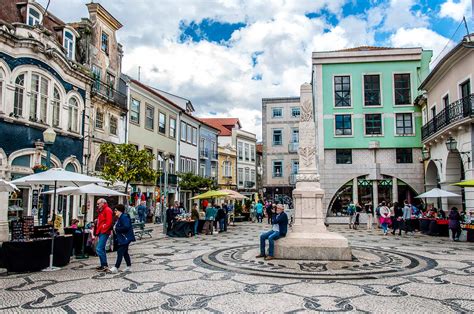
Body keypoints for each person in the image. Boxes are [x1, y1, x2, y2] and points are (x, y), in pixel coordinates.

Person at [108, 204, 136, 273]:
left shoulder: (124, 217)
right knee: (125, 252)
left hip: (125, 238)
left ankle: (116, 267)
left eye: (116, 210)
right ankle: (128, 266)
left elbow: (126, 227)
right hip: (123, 238)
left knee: (120, 252)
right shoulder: (120, 217)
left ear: (120, 211)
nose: (115, 212)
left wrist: (117, 228)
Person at [95, 198, 113, 271]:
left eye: (98, 203)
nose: (97, 205)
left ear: (103, 203)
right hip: (101, 231)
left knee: (99, 248)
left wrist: (103, 228)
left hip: (104, 232)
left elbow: (109, 222)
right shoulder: (102, 210)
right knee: (101, 248)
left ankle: (104, 265)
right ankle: (103, 264)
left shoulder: (107, 210)